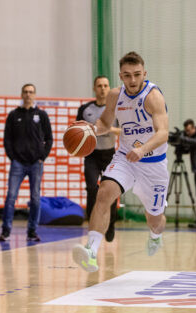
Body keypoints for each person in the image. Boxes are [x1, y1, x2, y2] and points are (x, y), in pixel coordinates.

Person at [72, 52, 169, 272]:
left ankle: (155, 236)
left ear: (144, 73)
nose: (132, 80)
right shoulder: (115, 96)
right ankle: (91, 252)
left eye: (136, 75)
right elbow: (106, 122)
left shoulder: (153, 96)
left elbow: (163, 133)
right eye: (127, 75)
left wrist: (143, 149)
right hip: (126, 158)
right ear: (121, 76)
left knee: (155, 219)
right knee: (104, 192)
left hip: (153, 164)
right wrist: (92, 130)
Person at [0, 83, 53, 242]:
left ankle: (32, 231)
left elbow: (49, 138)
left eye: (31, 92)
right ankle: (6, 231)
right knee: (11, 197)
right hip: (18, 164)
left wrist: (42, 157)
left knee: (35, 198)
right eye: (25, 92)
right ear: (21, 94)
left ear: (35, 95)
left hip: (36, 163)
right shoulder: (14, 115)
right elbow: (7, 139)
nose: (28, 95)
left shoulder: (41, 115)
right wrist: (12, 157)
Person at [77, 75, 120, 242]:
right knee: (92, 188)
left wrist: (107, 128)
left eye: (105, 85)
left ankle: (111, 223)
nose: (103, 89)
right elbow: (78, 131)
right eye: (100, 86)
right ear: (94, 88)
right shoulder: (85, 109)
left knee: (111, 191)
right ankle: (92, 225)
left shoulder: (115, 109)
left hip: (109, 154)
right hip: (92, 155)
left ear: (109, 89)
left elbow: (123, 131)